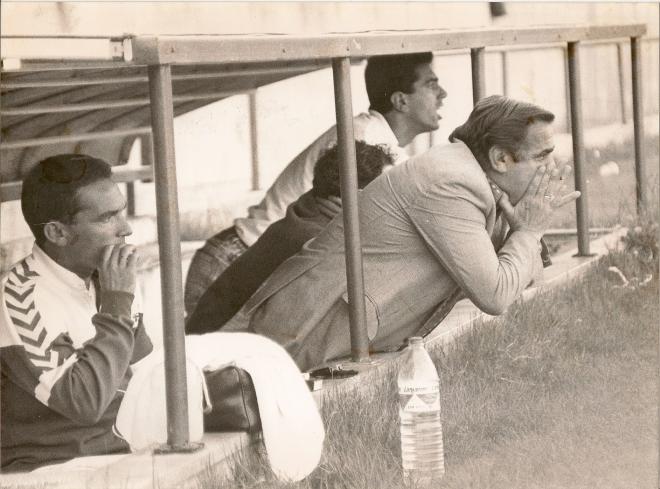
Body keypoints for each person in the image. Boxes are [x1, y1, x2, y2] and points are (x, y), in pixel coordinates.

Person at [220, 95, 581, 372]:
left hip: (322, 338)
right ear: (501, 159)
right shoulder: (452, 182)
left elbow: (527, 280)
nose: (553, 167)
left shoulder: (479, 183)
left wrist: (524, 230)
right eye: (542, 156)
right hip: (298, 335)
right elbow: (497, 295)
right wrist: (529, 231)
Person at [184, 52, 447, 314]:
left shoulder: (381, 143)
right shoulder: (367, 140)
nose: (442, 94)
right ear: (400, 100)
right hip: (237, 262)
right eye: (431, 84)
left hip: (254, 263)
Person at [0, 154, 153, 472]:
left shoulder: (108, 276)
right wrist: (116, 306)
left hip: (120, 450)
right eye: (107, 218)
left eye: (121, 212)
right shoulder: (16, 298)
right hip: (49, 469)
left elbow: (142, 370)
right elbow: (84, 403)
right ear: (57, 233)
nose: (125, 229)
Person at [186, 141, 394, 335]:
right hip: (218, 352)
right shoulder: (315, 239)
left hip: (221, 342)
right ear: (353, 195)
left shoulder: (310, 213)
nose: (392, 203)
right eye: (386, 191)